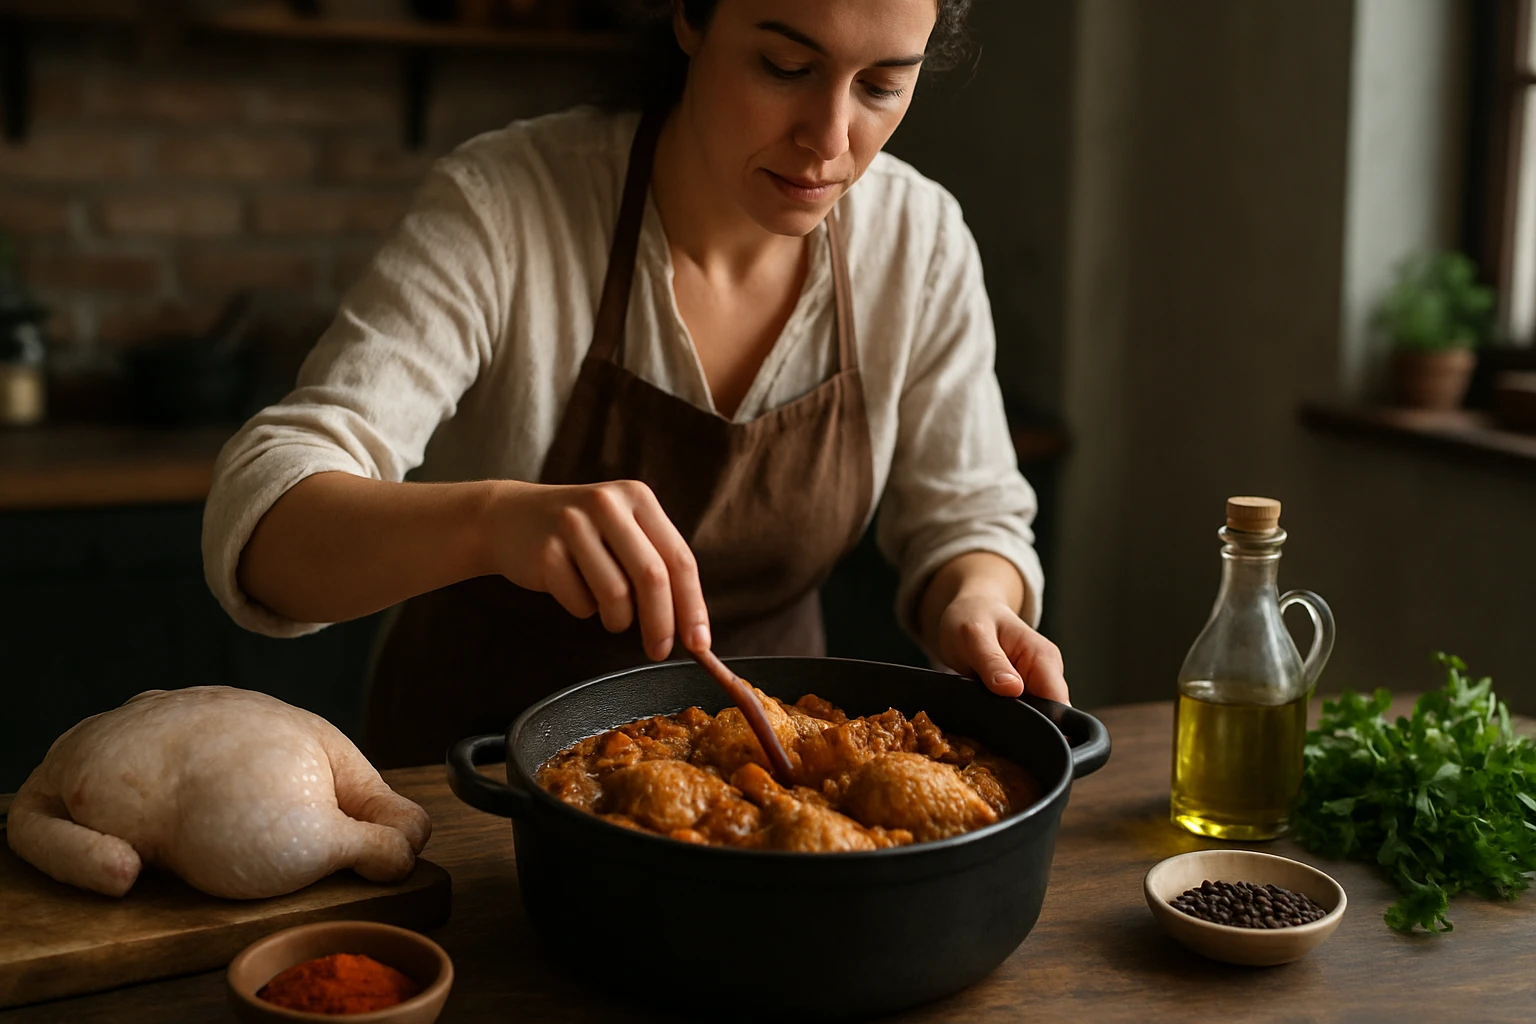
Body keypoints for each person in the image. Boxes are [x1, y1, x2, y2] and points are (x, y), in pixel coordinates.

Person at [202, 0, 1069, 768]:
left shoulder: (918, 242)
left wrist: (976, 601)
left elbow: (970, 517)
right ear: (689, 17)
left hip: (767, 782)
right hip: (474, 778)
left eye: (881, 86)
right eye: (785, 67)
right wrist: (495, 521)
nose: (830, 138)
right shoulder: (507, 204)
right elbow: (268, 524)